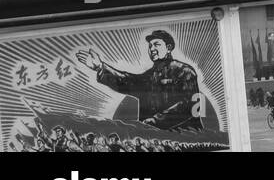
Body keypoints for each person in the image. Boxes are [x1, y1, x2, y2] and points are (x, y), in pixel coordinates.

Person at [74, 29, 205, 131]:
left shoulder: (185, 71)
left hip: (186, 139)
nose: (152, 49)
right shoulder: (149, 76)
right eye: (150, 46)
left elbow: (190, 106)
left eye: (157, 44)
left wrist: (153, 122)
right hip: (156, 140)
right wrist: (100, 67)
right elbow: (124, 81)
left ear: (169, 48)